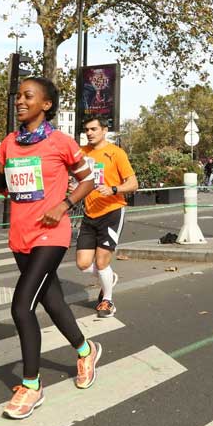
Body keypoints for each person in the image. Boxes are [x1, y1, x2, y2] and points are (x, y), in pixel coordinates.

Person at [0, 77, 101, 420]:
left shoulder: (62, 143)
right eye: (18, 97)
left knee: (21, 307)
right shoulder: (9, 144)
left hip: (52, 235)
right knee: (53, 301)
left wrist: (65, 204)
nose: (20, 101)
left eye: (29, 96)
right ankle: (86, 351)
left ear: (46, 104)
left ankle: (31, 385)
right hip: (21, 237)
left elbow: (88, 180)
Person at [76, 116, 138, 319]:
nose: (89, 133)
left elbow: (133, 183)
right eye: (87, 130)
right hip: (89, 213)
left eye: (93, 129)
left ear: (104, 130)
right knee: (83, 264)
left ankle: (107, 300)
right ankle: (109, 277)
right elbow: (79, 178)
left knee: (102, 261)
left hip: (112, 211)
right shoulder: (82, 153)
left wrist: (113, 189)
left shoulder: (116, 153)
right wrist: (74, 187)